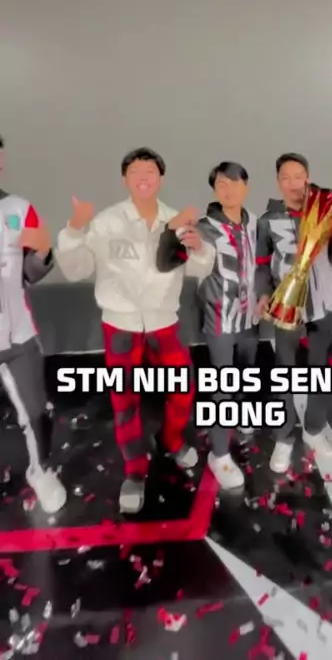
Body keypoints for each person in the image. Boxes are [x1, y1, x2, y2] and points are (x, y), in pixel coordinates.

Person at [55, 147, 215, 514]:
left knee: (183, 389)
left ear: (161, 178)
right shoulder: (107, 222)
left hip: (164, 323)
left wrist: (200, 248)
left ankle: (172, 440)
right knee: (125, 401)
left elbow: (200, 268)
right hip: (121, 325)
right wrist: (75, 230)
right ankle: (134, 470)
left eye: (150, 171)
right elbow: (77, 269)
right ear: (125, 179)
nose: (143, 178)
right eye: (135, 172)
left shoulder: (176, 220)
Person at [256, 152, 332, 473]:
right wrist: (263, 293)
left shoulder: (324, 211)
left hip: (322, 304)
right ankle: (283, 438)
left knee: (319, 370)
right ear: (278, 182)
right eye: (286, 177)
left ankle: (314, 429)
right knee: (284, 372)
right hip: (287, 308)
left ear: (307, 179)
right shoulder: (267, 221)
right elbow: (261, 265)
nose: (293, 183)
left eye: (298, 176)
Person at [0, 136, 67, 513]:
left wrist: (42, 251)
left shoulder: (19, 209)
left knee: (37, 411)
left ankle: (41, 470)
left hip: (18, 336)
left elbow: (30, 272)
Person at [195, 161, 258, 490]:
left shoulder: (255, 224)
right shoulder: (204, 228)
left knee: (246, 373)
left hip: (250, 316)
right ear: (214, 190)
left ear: (246, 187)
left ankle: (242, 417)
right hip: (219, 316)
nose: (228, 189)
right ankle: (218, 454)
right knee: (223, 385)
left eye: (234, 182)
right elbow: (194, 262)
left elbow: (262, 266)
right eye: (221, 184)